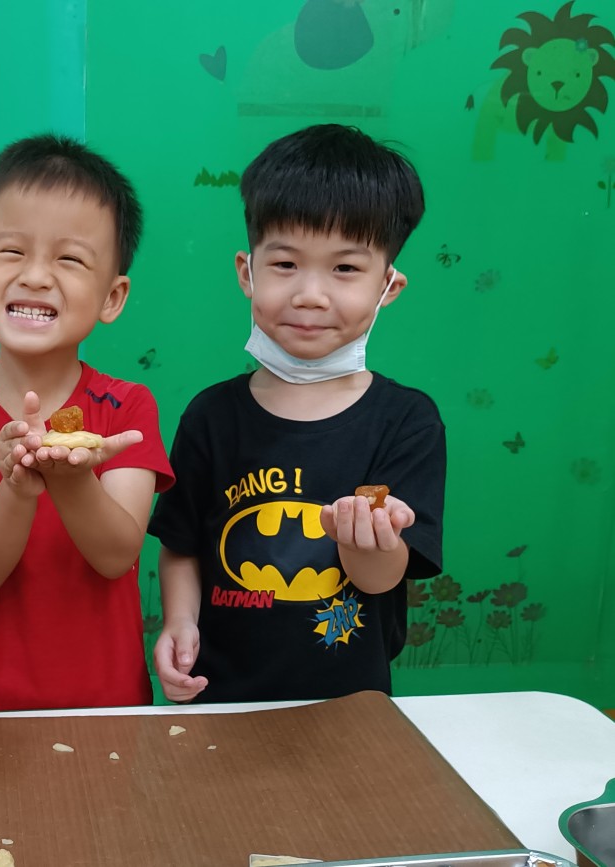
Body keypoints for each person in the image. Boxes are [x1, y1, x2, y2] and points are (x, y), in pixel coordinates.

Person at [150, 124, 445, 704]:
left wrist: (368, 540)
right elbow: (181, 542)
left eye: (345, 269)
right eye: (285, 263)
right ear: (247, 273)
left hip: (349, 705)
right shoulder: (211, 416)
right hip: (220, 699)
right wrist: (179, 621)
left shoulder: (407, 421)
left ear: (388, 286)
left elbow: (380, 577)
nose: (310, 293)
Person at [0, 134, 174, 713]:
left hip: (108, 707)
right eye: (11, 251)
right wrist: (19, 487)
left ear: (113, 296)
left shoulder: (128, 407)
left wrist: (70, 477)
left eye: (69, 259)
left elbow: (115, 554)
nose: (35, 276)